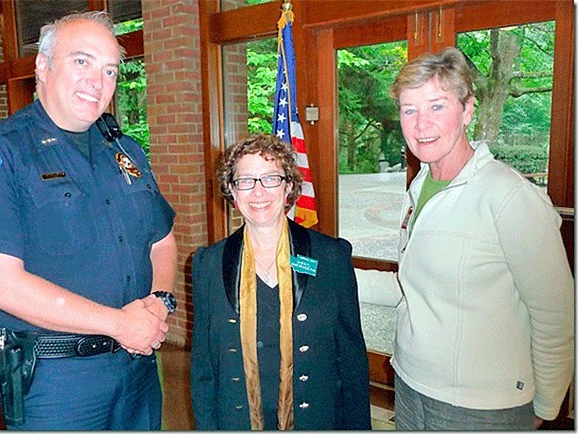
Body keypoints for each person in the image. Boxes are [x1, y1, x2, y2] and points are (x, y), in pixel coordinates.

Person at [0, 11, 178, 430]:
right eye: (82, 61)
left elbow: (162, 241)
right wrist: (120, 324)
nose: (98, 81)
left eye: (110, 70)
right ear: (43, 65)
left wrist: (157, 305)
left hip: (138, 369)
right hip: (56, 384)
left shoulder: (125, 152)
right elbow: (0, 286)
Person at [358, 47, 574, 430]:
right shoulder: (420, 185)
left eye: (436, 107)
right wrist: (320, 268)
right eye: (410, 110)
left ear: (468, 110)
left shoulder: (508, 196)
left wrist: (547, 404)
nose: (421, 124)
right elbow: (416, 286)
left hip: (482, 407)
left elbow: (556, 314)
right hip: (410, 386)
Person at [190, 134, 371, 430]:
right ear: (232, 192)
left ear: (288, 186)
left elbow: (352, 363)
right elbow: (203, 370)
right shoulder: (208, 264)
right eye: (245, 180)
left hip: (316, 420)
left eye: (271, 178)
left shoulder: (331, 258)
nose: (258, 192)